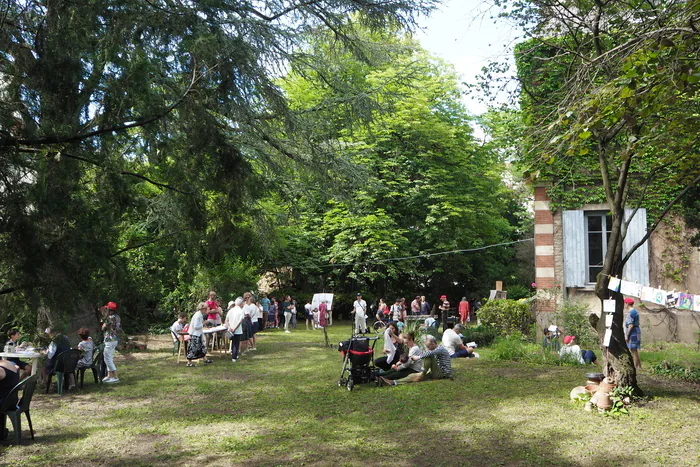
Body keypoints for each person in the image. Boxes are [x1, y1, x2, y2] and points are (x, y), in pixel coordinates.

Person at [380, 335, 452, 385]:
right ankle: (393, 382)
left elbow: (429, 354)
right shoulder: (437, 349)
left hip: (443, 373)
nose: (428, 349)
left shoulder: (440, 349)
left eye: (428, 347)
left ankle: (422, 373)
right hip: (436, 371)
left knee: (429, 356)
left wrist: (418, 357)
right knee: (412, 376)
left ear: (433, 344)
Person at [187, 302, 212, 367]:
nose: (206, 310)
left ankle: (205, 359)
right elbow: (196, 326)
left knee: (201, 347)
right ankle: (189, 362)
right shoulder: (198, 315)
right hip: (194, 334)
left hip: (198, 334)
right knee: (193, 349)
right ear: (202, 309)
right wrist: (203, 323)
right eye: (205, 309)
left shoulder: (200, 314)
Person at [101, 301, 121, 382]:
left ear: (109, 310)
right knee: (109, 357)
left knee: (107, 358)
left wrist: (103, 321)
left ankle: (115, 377)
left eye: (107, 309)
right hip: (115, 339)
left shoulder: (109, 318)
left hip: (109, 339)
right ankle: (110, 375)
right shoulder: (117, 317)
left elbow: (103, 328)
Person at [225, 298, 245, 363]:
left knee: (233, 343)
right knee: (236, 343)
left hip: (230, 329)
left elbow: (226, 320)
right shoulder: (241, 311)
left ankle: (234, 355)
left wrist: (229, 327)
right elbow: (240, 321)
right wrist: (234, 328)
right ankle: (234, 357)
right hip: (237, 330)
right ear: (241, 304)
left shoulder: (230, 310)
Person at [624, 297, 642, 369]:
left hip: (633, 332)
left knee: (633, 350)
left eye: (625, 303)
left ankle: (635, 367)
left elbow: (630, 325)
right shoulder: (635, 311)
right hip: (636, 331)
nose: (624, 305)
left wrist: (627, 336)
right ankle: (639, 366)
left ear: (627, 304)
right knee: (635, 350)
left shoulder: (631, 313)